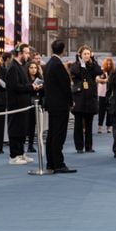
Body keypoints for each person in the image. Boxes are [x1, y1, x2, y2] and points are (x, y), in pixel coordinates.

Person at [42, 40, 76, 173]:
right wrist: (70, 101)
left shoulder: (49, 64)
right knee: (58, 134)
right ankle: (58, 163)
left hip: (52, 104)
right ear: (63, 50)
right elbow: (65, 86)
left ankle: (51, 162)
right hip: (60, 105)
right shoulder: (57, 65)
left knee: (52, 134)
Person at [4, 43, 40, 165]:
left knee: (22, 130)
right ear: (19, 53)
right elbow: (15, 87)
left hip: (23, 104)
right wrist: (30, 87)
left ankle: (21, 153)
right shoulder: (13, 67)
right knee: (15, 130)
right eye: (26, 52)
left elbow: (22, 85)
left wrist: (31, 86)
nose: (28, 55)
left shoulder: (21, 66)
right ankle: (14, 156)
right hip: (16, 105)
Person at [69, 44, 102, 153]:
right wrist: (81, 64)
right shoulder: (75, 65)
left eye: (88, 54)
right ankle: (79, 147)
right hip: (79, 98)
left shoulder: (92, 65)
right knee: (78, 124)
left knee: (89, 124)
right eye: (85, 54)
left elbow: (99, 71)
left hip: (90, 97)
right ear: (80, 55)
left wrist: (93, 60)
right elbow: (76, 73)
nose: (87, 56)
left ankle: (89, 146)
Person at [25, 59, 43, 152]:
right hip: (27, 104)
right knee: (28, 125)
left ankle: (31, 145)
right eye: (31, 68)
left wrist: (40, 88)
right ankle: (27, 144)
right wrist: (32, 88)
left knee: (34, 125)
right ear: (28, 69)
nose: (33, 69)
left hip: (37, 103)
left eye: (35, 68)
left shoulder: (40, 79)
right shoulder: (25, 79)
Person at [96, 57, 114, 134]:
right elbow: (97, 79)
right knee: (101, 111)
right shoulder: (101, 70)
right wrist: (105, 80)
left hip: (110, 94)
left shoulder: (113, 72)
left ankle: (109, 127)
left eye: (110, 63)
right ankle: (100, 127)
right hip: (102, 93)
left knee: (110, 111)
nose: (109, 64)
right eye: (108, 63)